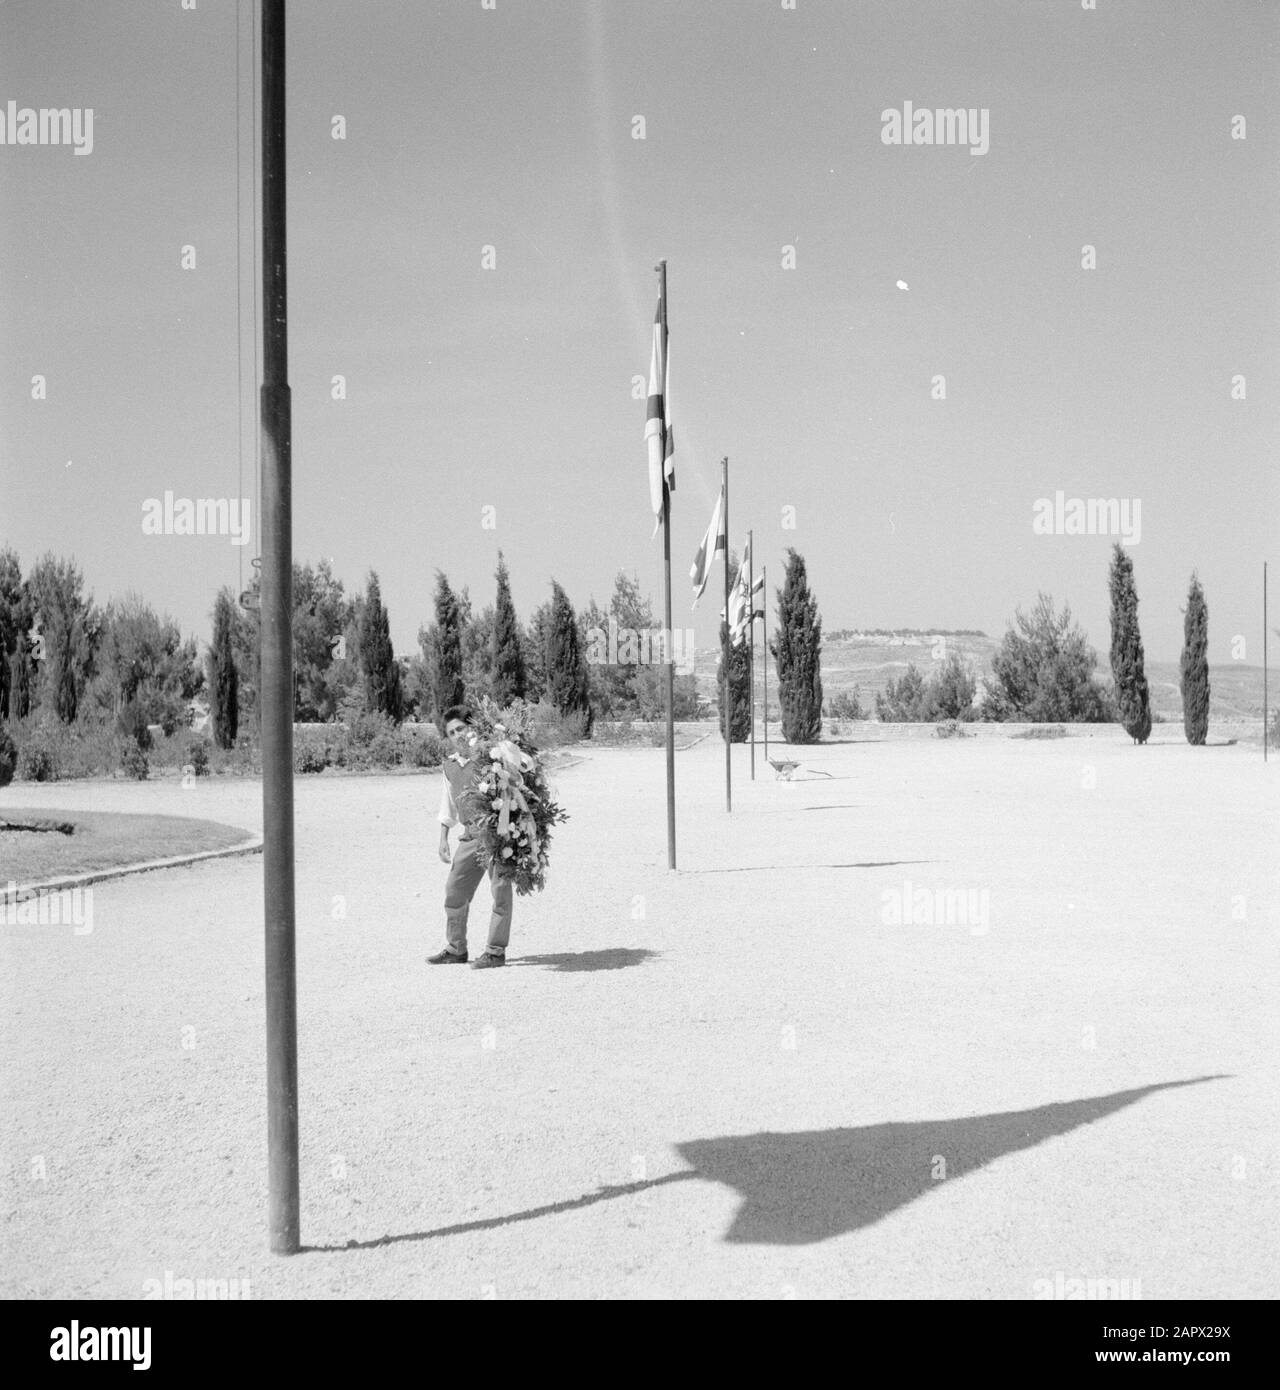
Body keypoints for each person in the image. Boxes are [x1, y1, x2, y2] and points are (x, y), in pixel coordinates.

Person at [427, 704, 512, 969]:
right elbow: (448, 805)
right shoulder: (449, 767)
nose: (457, 735)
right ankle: (456, 948)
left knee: (500, 891)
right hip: (470, 834)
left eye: (461, 728)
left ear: (472, 728)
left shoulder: (491, 758)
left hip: (497, 832)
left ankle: (495, 952)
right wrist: (443, 837)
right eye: (452, 732)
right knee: (455, 890)